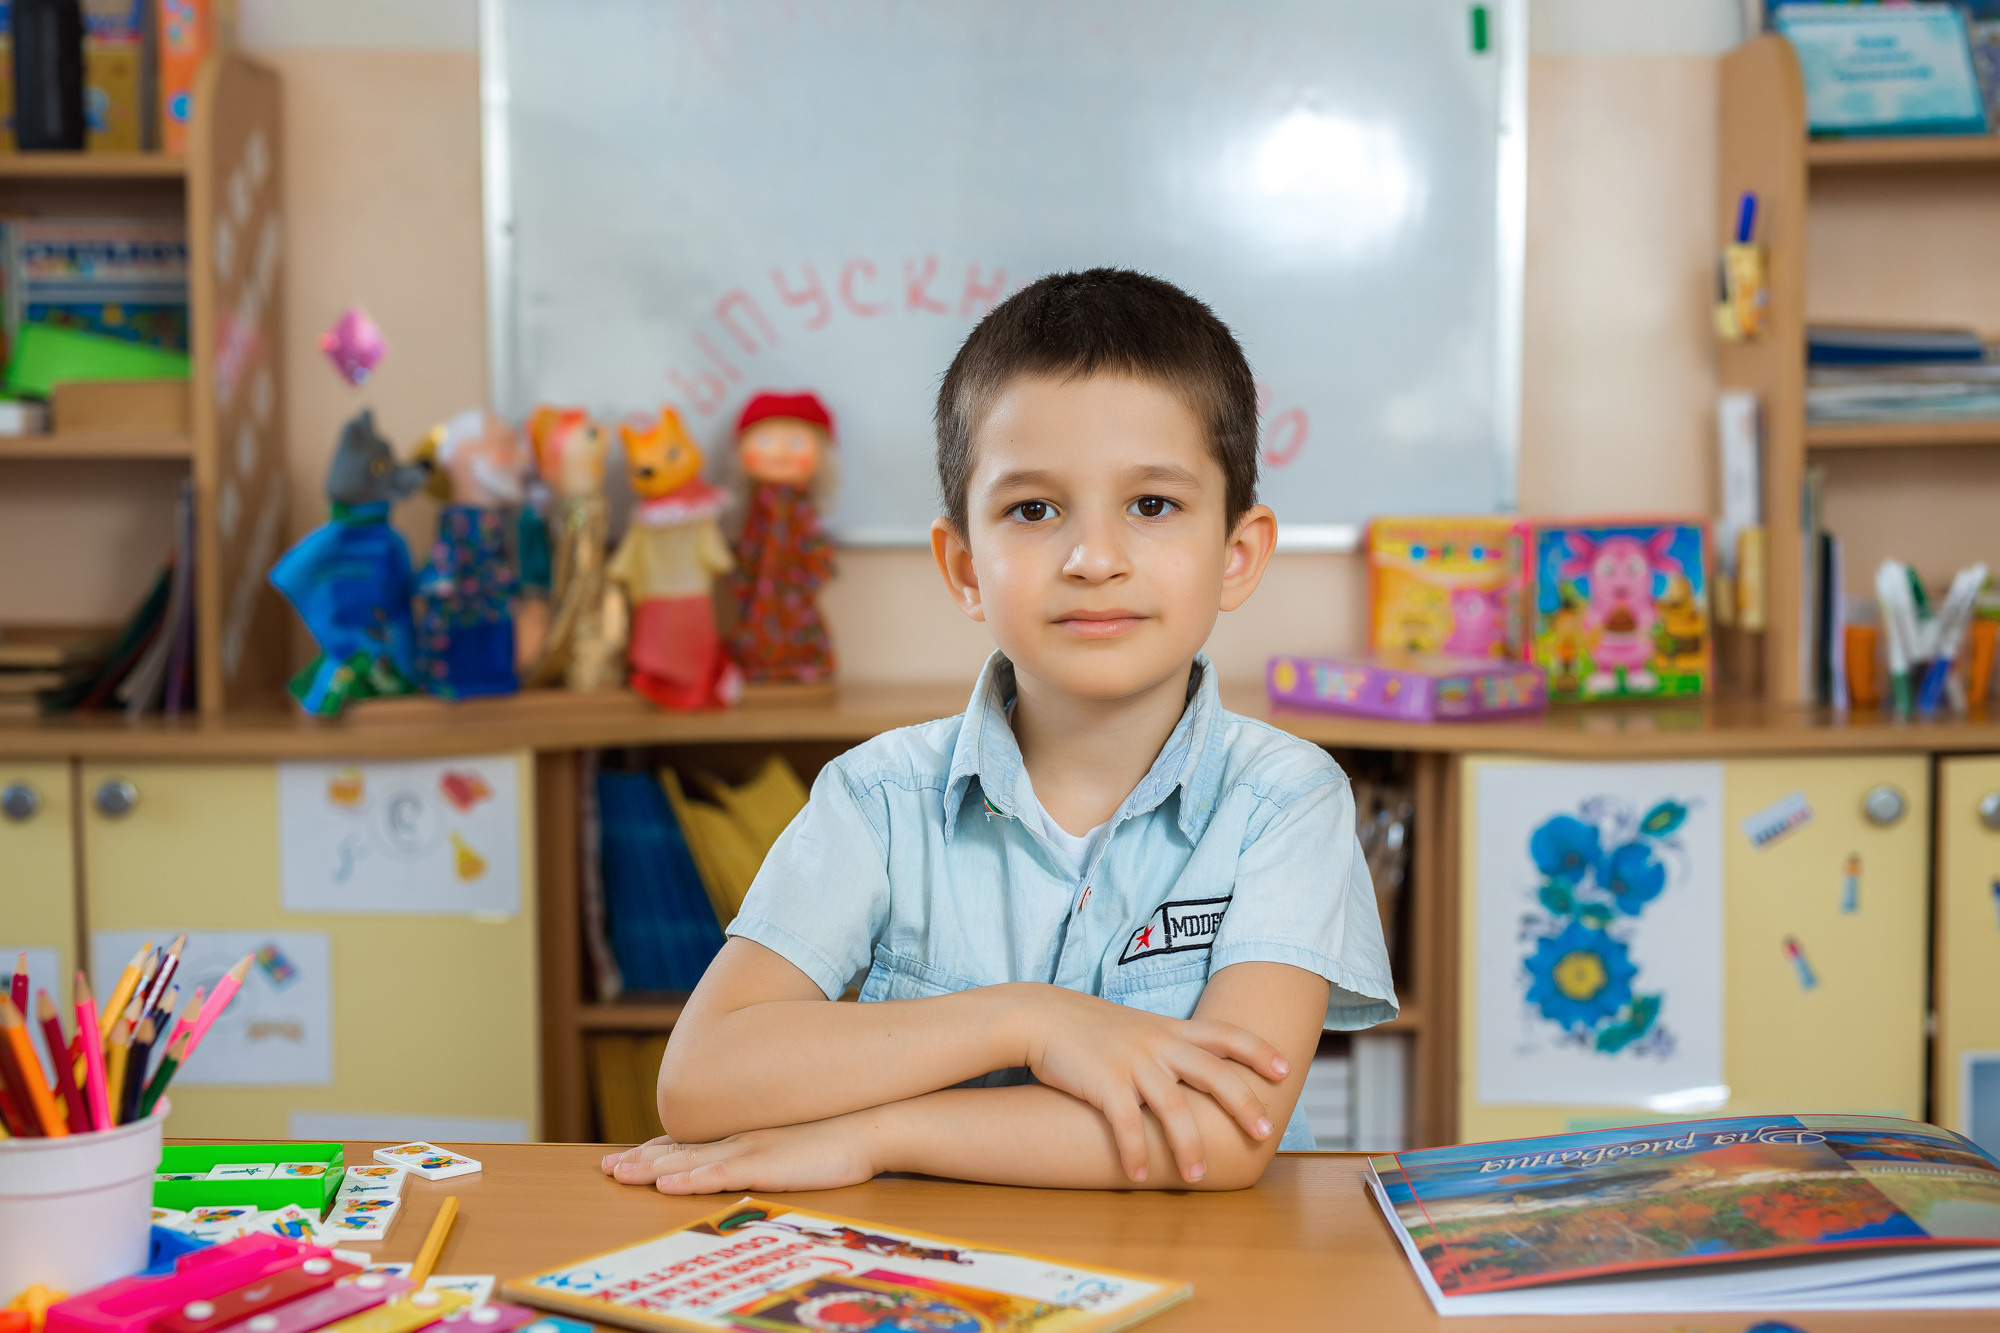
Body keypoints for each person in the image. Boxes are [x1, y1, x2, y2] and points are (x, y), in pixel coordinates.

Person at [601, 268, 1396, 1195]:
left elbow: (1223, 1133)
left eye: (1152, 505)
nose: (1093, 559)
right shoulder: (876, 796)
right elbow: (701, 1083)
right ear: (964, 564)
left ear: (1237, 553)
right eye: (1033, 509)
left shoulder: (1286, 798)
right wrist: (1026, 1019)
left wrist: (878, 1134)